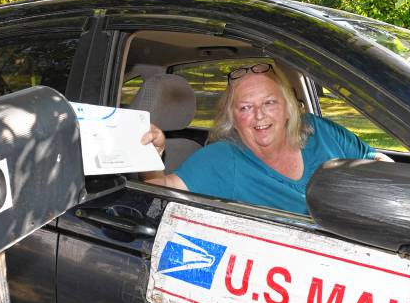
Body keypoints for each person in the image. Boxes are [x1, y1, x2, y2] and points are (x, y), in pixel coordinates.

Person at [141, 63, 391, 214]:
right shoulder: (224, 159)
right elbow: (156, 195)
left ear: (288, 107)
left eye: (269, 102)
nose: (259, 115)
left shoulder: (322, 131)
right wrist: (150, 152)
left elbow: (376, 160)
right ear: (233, 120)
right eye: (245, 108)